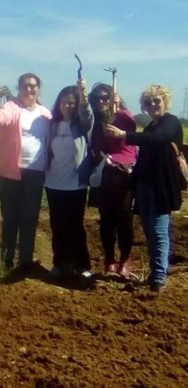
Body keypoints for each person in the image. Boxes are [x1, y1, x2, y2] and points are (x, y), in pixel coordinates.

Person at [105, 85, 183, 293]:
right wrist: (131, 187)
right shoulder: (149, 128)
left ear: (165, 101)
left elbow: (158, 139)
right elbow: (142, 161)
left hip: (161, 188)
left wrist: (124, 134)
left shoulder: (171, 123)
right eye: (148, 103)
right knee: (151, 232)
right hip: (145, 188)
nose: (153, 105)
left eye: (157, 100)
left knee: (158, 232)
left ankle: (158, 278)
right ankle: (157, 273)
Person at [0, 73, 51, 272]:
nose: (29, 89)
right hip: (10, 172)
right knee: (10, 216)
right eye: (25, 86)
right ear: (20, 88)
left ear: (38, 89)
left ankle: (25, 260)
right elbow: (3, 118)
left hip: (35, 172)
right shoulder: (12, 106)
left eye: (33, 86)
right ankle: (6, 259)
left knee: (29, 217)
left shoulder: (45, 114)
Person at [44, 80, 94, 280]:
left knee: (76, 227)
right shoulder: (53, 125)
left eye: (72, 102)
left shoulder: (82, 125)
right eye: (64, 102)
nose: (68, 105)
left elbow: (88, 114)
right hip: (53, 183)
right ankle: (59, 263)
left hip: (76, 185)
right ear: (59, 103)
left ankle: (81, 265)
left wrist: (83, 93)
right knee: (57, 226)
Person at [88, 83, 137, 278]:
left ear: (113, 97)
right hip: (103, 174)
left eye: (106, 97)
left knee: (124, 219)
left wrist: (122, 110)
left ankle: (125, 260)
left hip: (123, 174)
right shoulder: (95, 120)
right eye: (98, 98)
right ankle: (109, 260)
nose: (102, 101)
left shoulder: (123, 116)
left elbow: (132, 130)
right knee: (106, 220)